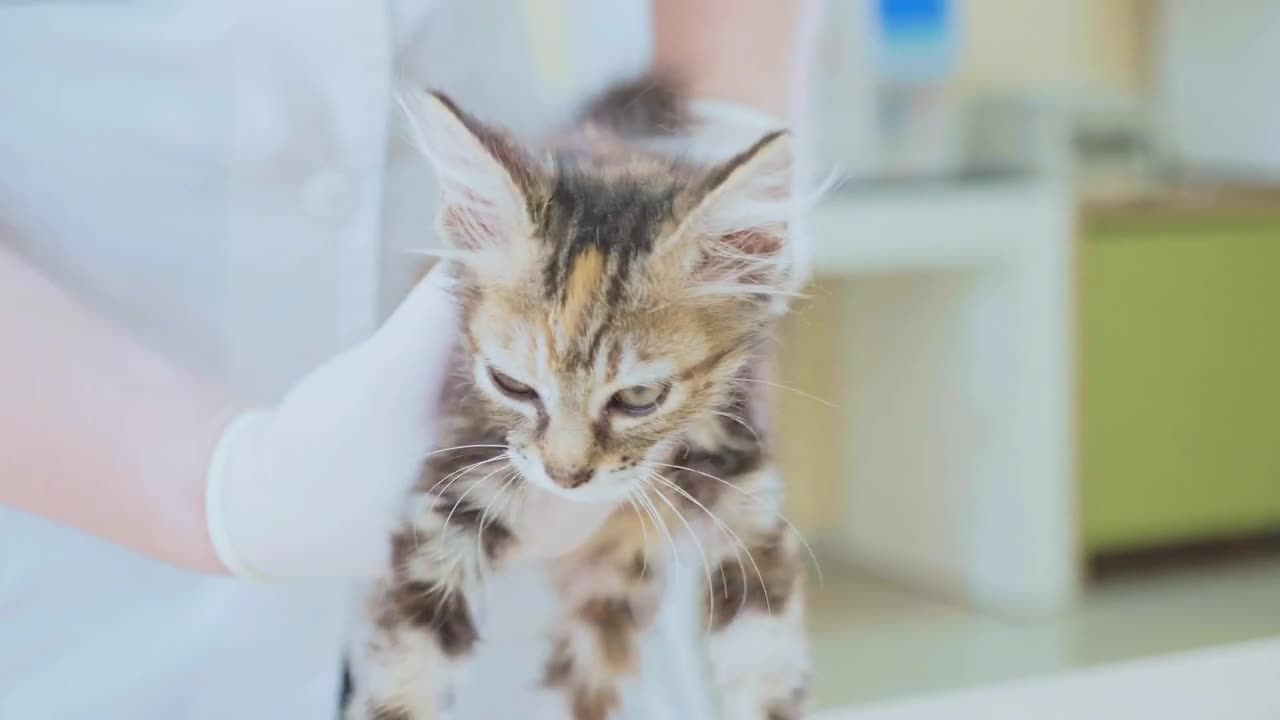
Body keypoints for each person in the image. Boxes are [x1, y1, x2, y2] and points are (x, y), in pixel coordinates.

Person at [0, 1, 823, 717]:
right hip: (74, 500)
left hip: (504, 179)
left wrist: (727, 200)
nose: (565, 463)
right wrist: (233, 492)